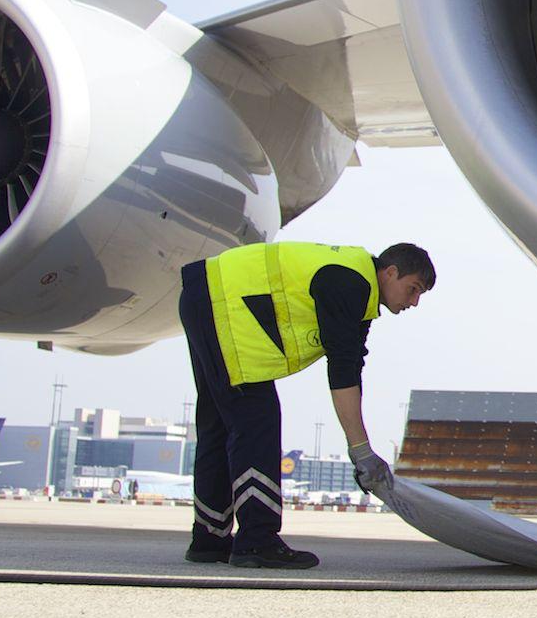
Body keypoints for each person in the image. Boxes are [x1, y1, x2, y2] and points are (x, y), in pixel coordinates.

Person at [179, 239, 434, 568]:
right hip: (225, 306)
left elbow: (351, 365)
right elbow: (342, 372)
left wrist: (360, 448)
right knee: (256, 421)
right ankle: (256, 541)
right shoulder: (350, 283)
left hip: (206, 296)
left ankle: (210, 538)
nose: (414, 302)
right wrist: (362, 452)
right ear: (390, 272)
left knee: (219, 423)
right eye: (413, 289)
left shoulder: (358, 287)